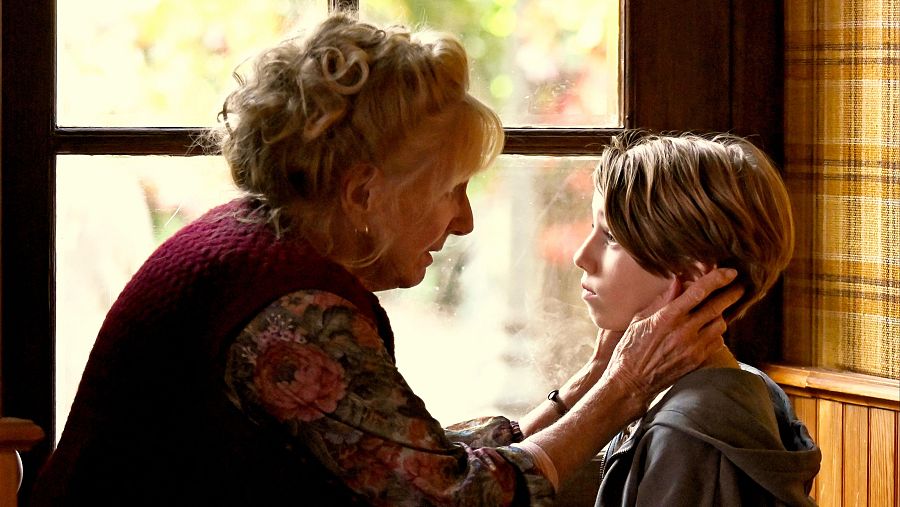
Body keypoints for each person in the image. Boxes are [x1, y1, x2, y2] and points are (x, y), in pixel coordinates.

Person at [32, 14, 743, 506]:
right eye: (450, 189)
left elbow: (404, 460)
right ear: (365, 193)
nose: (463, 219)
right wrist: (623, 386)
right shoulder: (291, 314)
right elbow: (449, 496)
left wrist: (592, 377)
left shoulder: (259, 248)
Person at [573, 132, 821, 507]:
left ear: (691, 278)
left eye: (610, 237)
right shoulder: (739, 387)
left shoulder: (692, 430)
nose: (581, 255)